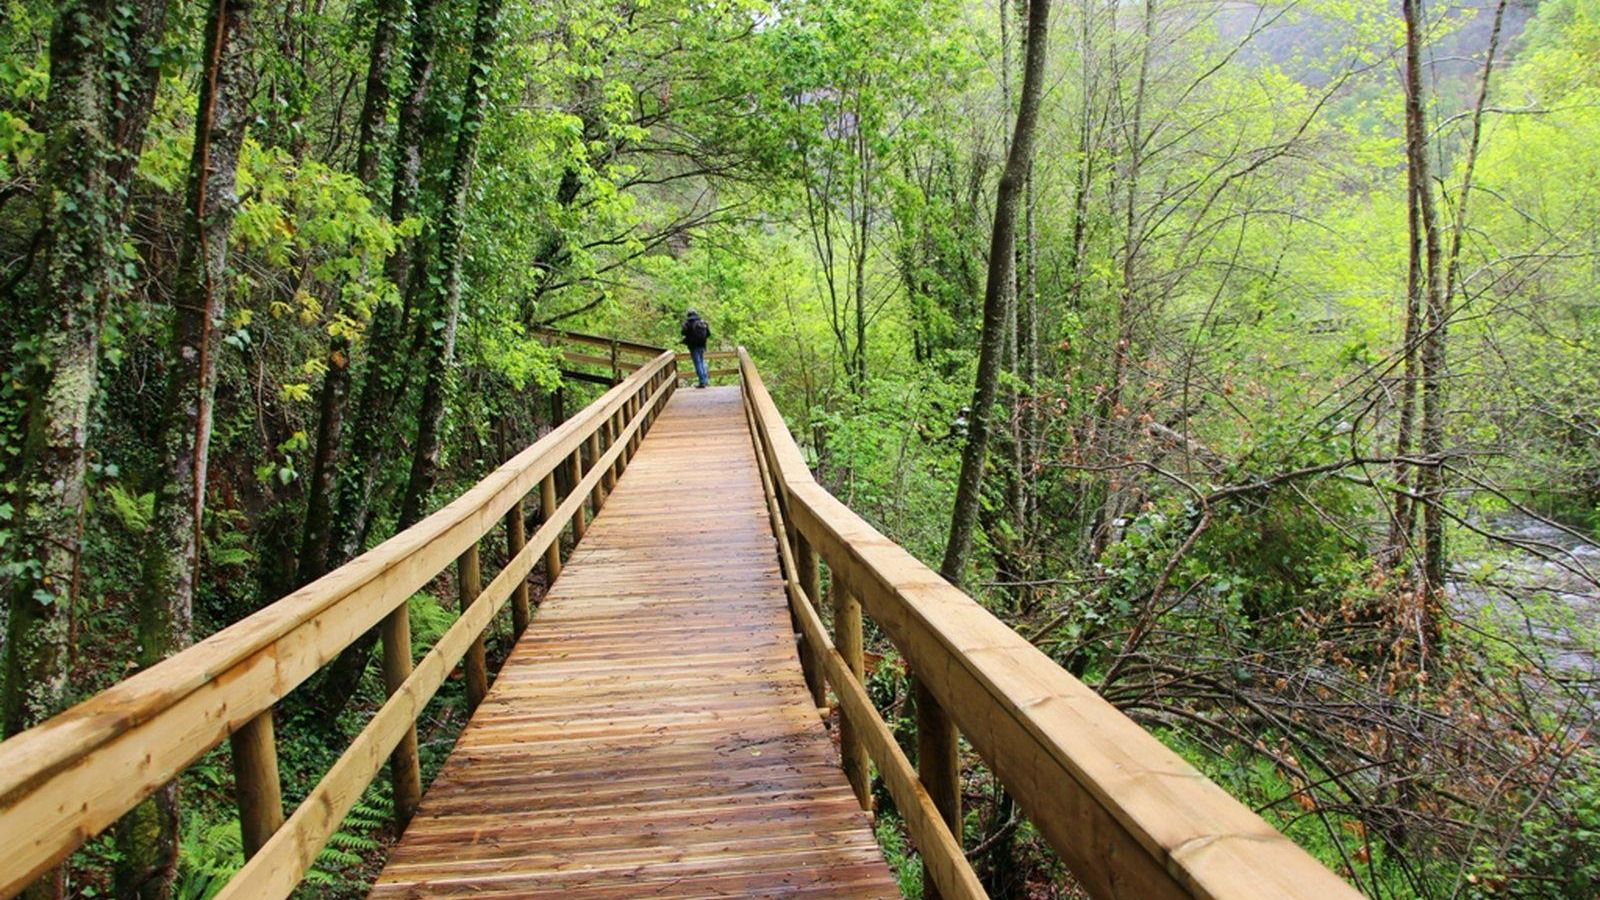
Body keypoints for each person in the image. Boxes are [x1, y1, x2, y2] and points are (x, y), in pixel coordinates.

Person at [681, 309, 711, 388]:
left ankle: (702, 382)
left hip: (693, 346)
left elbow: (683, 332)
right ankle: (705, 380)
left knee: (697, 363)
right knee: (702, 362)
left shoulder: (688, 323)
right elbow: (708, 334)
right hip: (702, 345)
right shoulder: (702, 322)